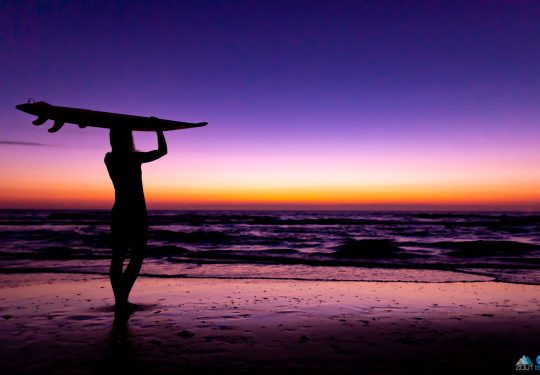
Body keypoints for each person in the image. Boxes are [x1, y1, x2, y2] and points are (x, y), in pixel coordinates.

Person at [104, 129, 167, 309]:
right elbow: (162, 151)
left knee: (118, 256)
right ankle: (122, 298)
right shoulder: (133, 158)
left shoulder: (108, 159)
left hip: (119, 212)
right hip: (137, 212)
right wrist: (158, 129)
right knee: (137, 256)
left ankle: (120, 299)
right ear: (128, 139)